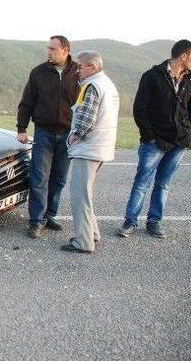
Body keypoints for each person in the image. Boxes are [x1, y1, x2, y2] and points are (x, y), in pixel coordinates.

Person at [117, 40, 191, 239]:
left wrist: (189, 133)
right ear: (183, 56)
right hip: (154, 142)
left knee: (163, 184)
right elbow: (140, 109)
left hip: (178, 143)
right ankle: (130, 221)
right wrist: (150, 136)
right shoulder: (152, 76)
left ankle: (154, 222)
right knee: (142, 183)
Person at [17, 35, 79, 238]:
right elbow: (26, 102)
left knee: (59, 178)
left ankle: (49, 215)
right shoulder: (38, 72)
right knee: (39, 178)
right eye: (48, 48)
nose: (48, 52)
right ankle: (36, 221)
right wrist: (22, 128)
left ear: (65, 50)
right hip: (43, 133)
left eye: (53, 49)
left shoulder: (78, 72)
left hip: (69, 134)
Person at [61, 51, 119, 253]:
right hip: (102, 147)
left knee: (79, 196)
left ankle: (83, 242)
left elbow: (86, 119)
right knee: (86, 195)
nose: (77, 70)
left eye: (80, 66)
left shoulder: (91, 86)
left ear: (93, 67)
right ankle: (92, 234)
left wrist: (72, 137)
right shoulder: (108, 84)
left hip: (88, 148)